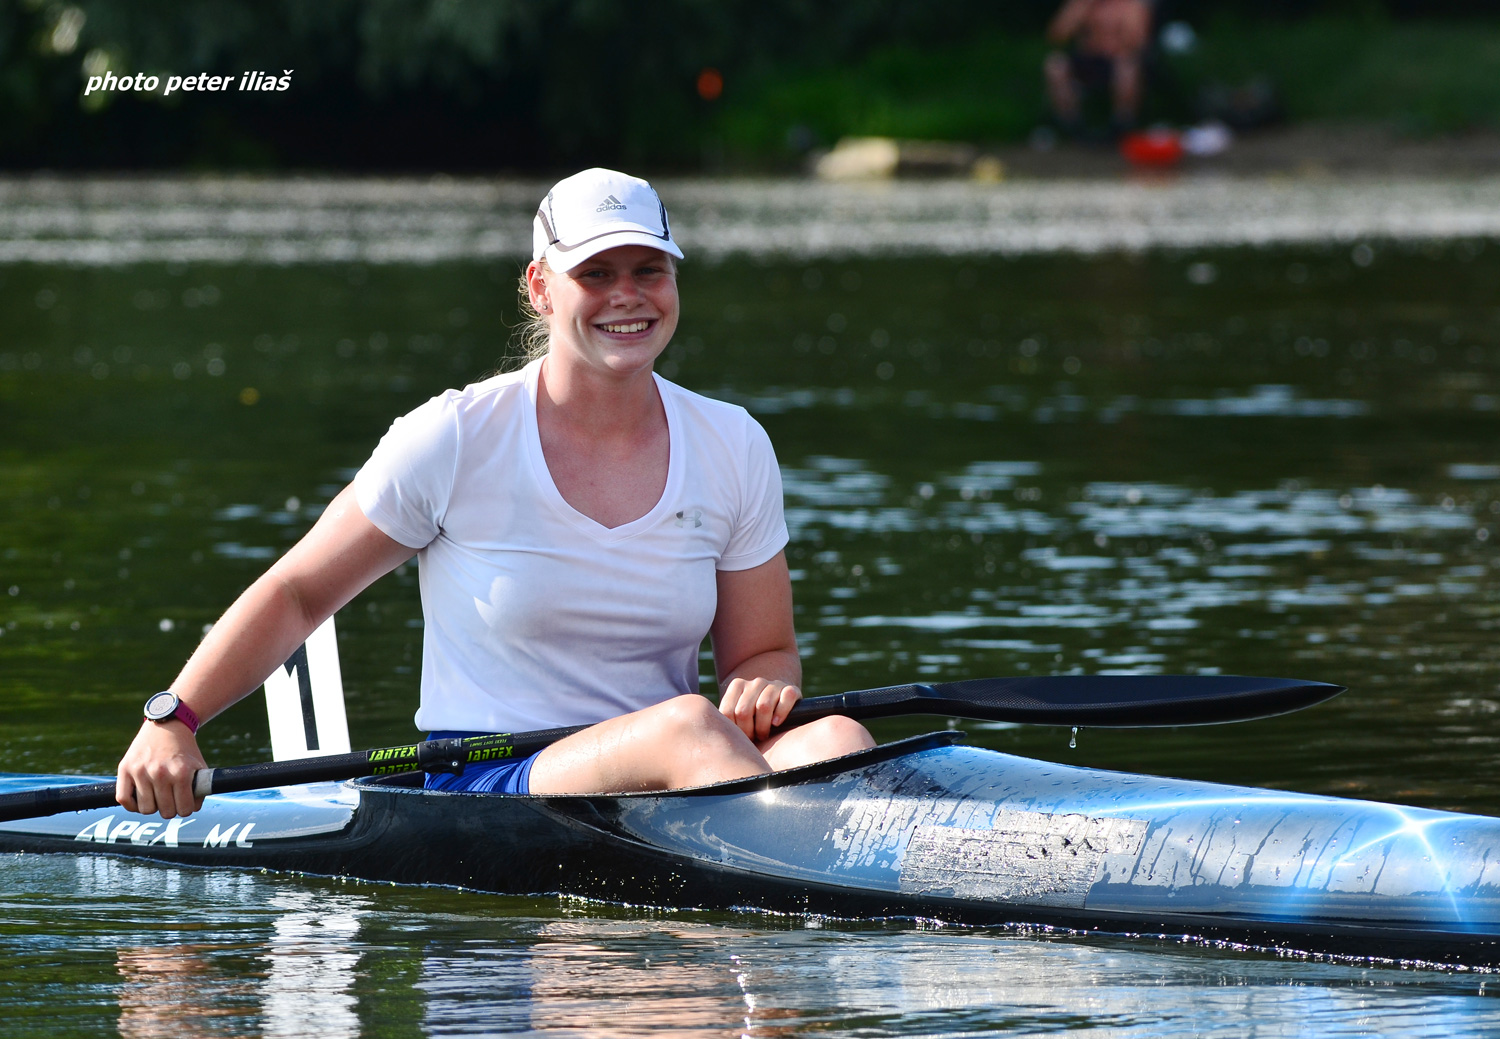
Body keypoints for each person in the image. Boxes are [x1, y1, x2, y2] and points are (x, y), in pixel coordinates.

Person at [117, 168, 875, 819]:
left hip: (679, 768)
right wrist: (174, 719)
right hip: (489, 780)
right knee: (687, 727)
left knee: (839, 739)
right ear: (541, 288)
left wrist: (763, 688)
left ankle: (844, 920)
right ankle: (801, 924)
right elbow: (297, 593)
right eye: (595, 274)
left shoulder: (733, 442)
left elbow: (763, 652)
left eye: (649, 270)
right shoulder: (454, 436)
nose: (627, 296)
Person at [1043, 0, 1153, 137]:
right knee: (1055, 65)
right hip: (1087, 59)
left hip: (1117, 60)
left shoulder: (1132, 5)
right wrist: (1080, 9)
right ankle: (1071, 124)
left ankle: (1122, 124)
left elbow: (1139, 41)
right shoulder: (1080, 4)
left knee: (1127, 67)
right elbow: (1057, 36)